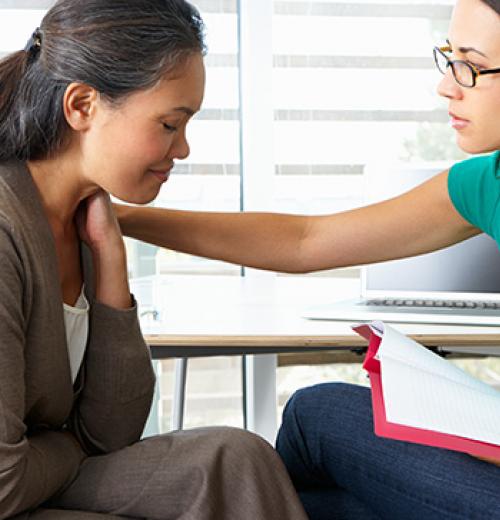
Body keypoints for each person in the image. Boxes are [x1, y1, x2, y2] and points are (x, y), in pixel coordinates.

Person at [115, 0, 500, 518]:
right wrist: (122, 218)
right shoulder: (484, 184)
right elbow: (305, 241)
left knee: (316, 414)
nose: (447, 85)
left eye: (471, 66)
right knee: (325, 504)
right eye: (448, 57)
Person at [0, 1, 311, 519]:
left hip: (43, 475)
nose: (183, 148)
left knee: (235, 459)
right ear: (82, 106)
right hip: (15, 493)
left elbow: (111, 430)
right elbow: (5, 483)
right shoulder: (7, 229)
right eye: (169, 124)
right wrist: (70, 445)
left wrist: (111, 262)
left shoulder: (85, 222)